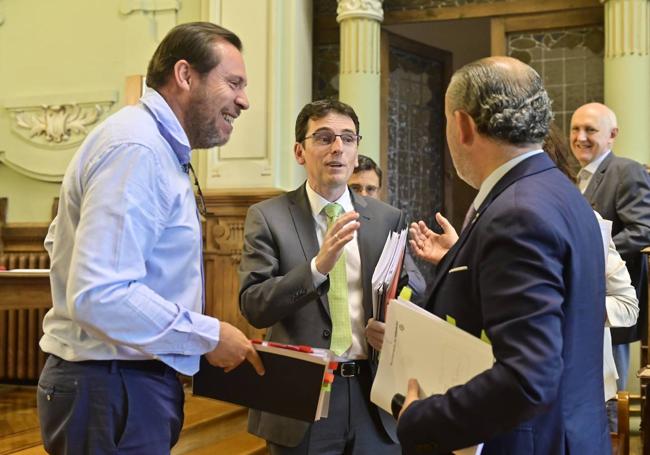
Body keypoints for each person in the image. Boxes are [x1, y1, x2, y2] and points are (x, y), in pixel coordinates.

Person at [37, 22, 264, 455]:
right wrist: (207, 335)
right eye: (233, 83)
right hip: (110, 388)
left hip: (118, 386)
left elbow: (58, 245)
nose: (244, 101)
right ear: (185, 75)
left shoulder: (150, 145)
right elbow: (100, 293)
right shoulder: (137, 148)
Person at [398, 57, 610, 454]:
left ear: (462, 124)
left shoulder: (517, 212)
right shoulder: (559, 190)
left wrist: (423, 417)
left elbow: (529, 377)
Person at [239, 99, 404, 454]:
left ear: (357, 151)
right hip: (302, 399)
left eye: (347, 138)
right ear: (300, 151)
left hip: (371, 396)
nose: (337, 148)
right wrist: (317, 268)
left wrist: (395, 326)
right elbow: (254, 305)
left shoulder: (387, 218)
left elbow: (410, 290)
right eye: (325, 137)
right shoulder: (268, 217)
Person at [570, 102, 650, 394]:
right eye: (575, 129)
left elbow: (644, 230)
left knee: (609, 395)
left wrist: (591, 254)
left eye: (590, 130)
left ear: (612, 134)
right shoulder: (577, 177)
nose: (580, 137)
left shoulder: (625, 170)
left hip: (613, 298)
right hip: (584, 298)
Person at [349, 154, 427, 301]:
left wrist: (387, 271)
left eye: (370, 189)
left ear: (379, 192)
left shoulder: (389, 228)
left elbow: (418, 288)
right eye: (355, 188)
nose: (363, 195)